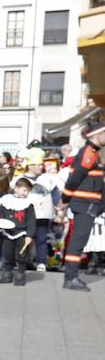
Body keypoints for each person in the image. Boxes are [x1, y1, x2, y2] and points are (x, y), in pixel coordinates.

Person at [59, 122, 105, 290]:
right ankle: (70, 278)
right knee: (78, 242)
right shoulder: (88, 153)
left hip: (88, 204)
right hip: (84, 203)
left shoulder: (93, 152)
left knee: (79, 241)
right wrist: (65, 200)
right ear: (96, 136)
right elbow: (74, 179)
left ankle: (72, 277)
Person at [0, 176, 37, 286]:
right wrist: (0, 223)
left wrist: (29, 235)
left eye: (27, 191)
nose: (25, 193)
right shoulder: (7, 200)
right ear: (16, 188)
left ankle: (20, 275)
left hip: (21, 233)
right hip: (7, 233)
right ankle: (7, 274)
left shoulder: (28, 204)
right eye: (24, 190)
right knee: (7, 254)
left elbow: (31, 220)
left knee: (21, 255)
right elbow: (1, 214)